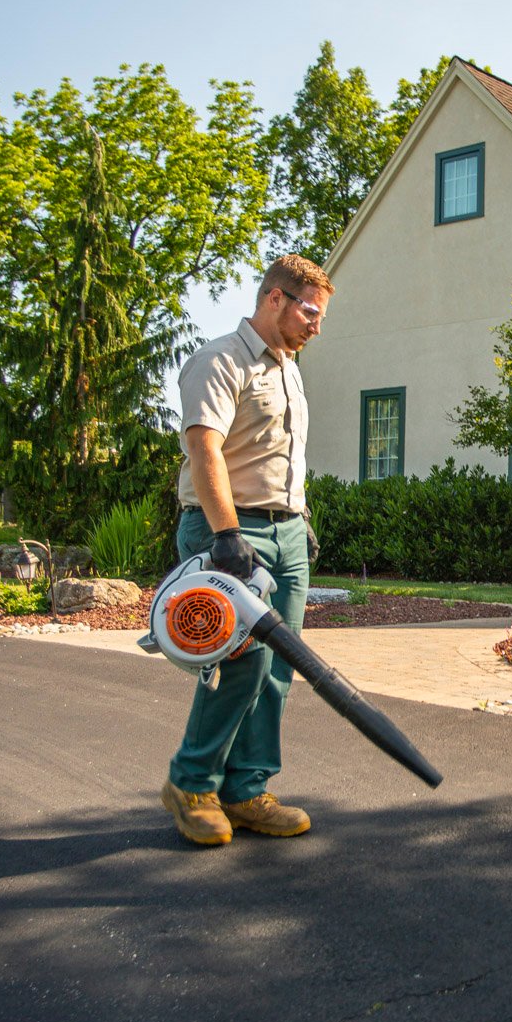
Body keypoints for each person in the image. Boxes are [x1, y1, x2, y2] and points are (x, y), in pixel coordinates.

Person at [160, 254, 331, 846]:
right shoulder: (219, 360)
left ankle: (245, 789)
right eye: (310, 311)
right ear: (275, 299)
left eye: (321, 316)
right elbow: (204, 450)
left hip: (285, 533)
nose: (317, 325)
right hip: (230, 533)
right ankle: (191, 783)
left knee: (280, 668)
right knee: (240, 662)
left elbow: (278, 458)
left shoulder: (288, 369)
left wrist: (298, 519)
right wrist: (227, 534)